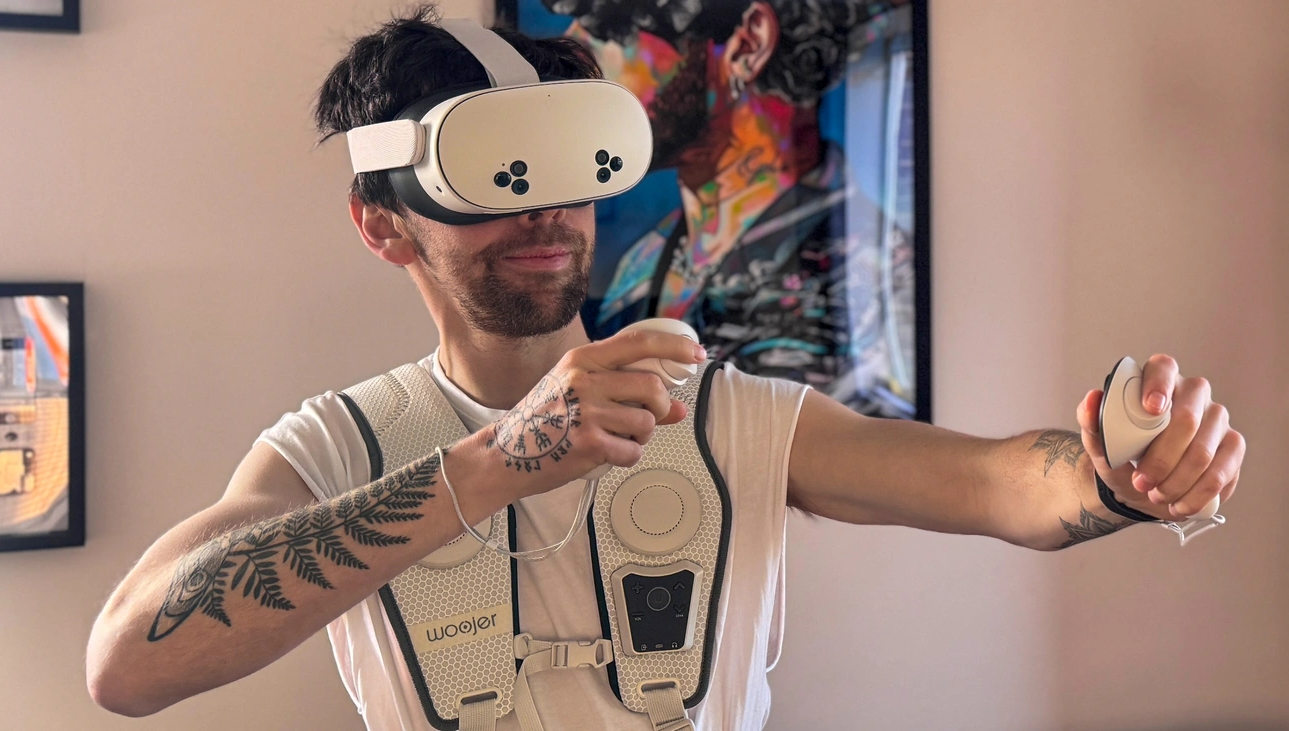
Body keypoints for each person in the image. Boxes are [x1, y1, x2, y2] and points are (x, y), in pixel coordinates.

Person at [84, 6, 1246, 731]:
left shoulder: (731, 416)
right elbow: (126, 666)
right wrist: (493, 464)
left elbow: (1003, 485)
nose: (545, 211)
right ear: (383, 224)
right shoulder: (332, 450)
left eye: (569, 165)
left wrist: (1111, 475)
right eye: (495, 176)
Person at [554, 0, 917, 418]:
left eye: (611, 26)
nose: (574, 55)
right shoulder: (644, 260)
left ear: (748, 45)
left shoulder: (868, 281)